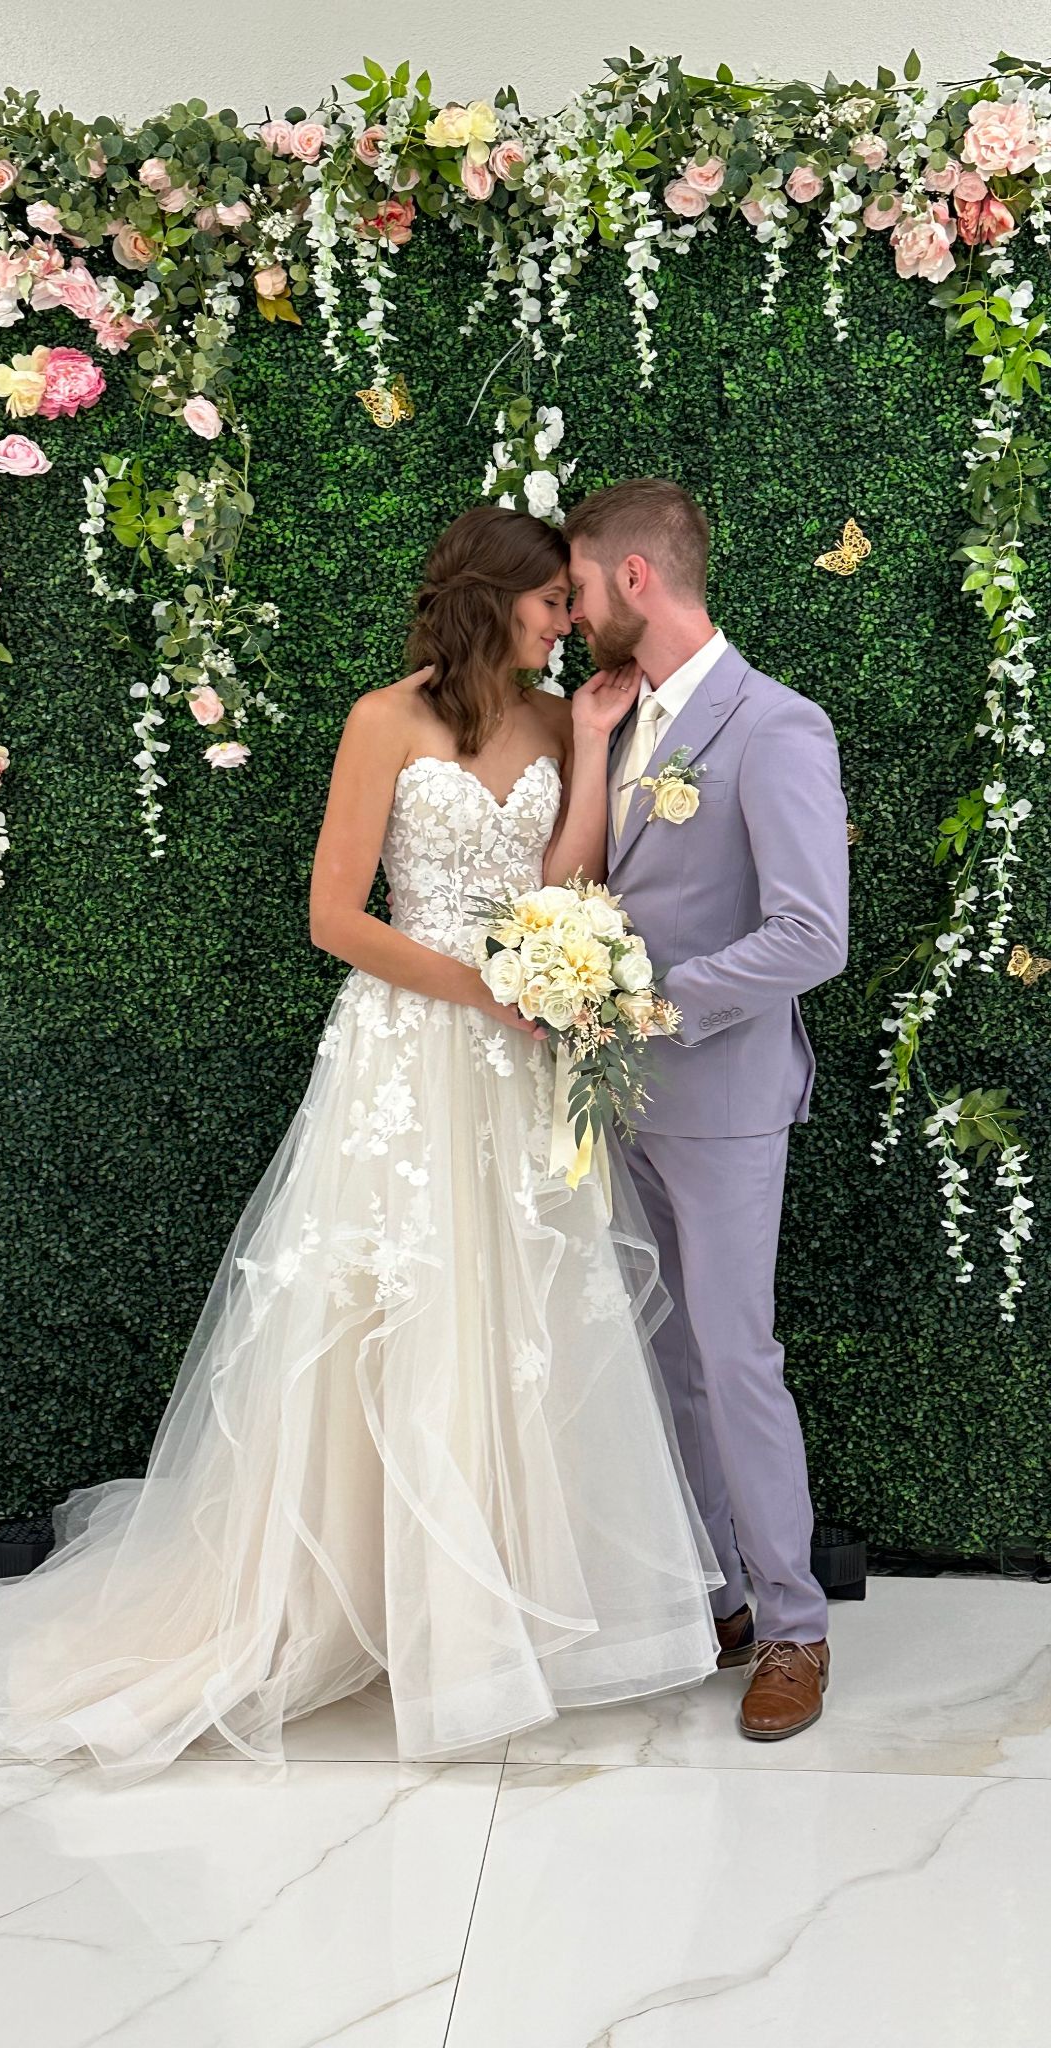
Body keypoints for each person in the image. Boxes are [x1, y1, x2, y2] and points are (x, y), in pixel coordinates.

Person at [0, 503, 722, 1782]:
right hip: (409, 1052)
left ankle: (493, 1612)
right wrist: (486, 987)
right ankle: (361, 1604)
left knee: (514, 1321)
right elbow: (335, 916)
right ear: (493, 596)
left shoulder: (557, 715)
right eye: (551, 600)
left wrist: (589, 749)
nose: (569, 620)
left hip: (515, 1058)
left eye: (572, 602)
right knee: (390, 1314)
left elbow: (570, 881)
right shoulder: (381, 721)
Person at [565, 478, 850, 1741]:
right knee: (667, 1356)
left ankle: (796, 1627)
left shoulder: (776, 724)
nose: (570, 616)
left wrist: (658, 1002)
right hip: (624, 1102)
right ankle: (723, 1594)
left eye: (576, 590)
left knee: (736, 1357)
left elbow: (811, 935)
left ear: (635, 580)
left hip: (722, 1094)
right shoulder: (620, 720)